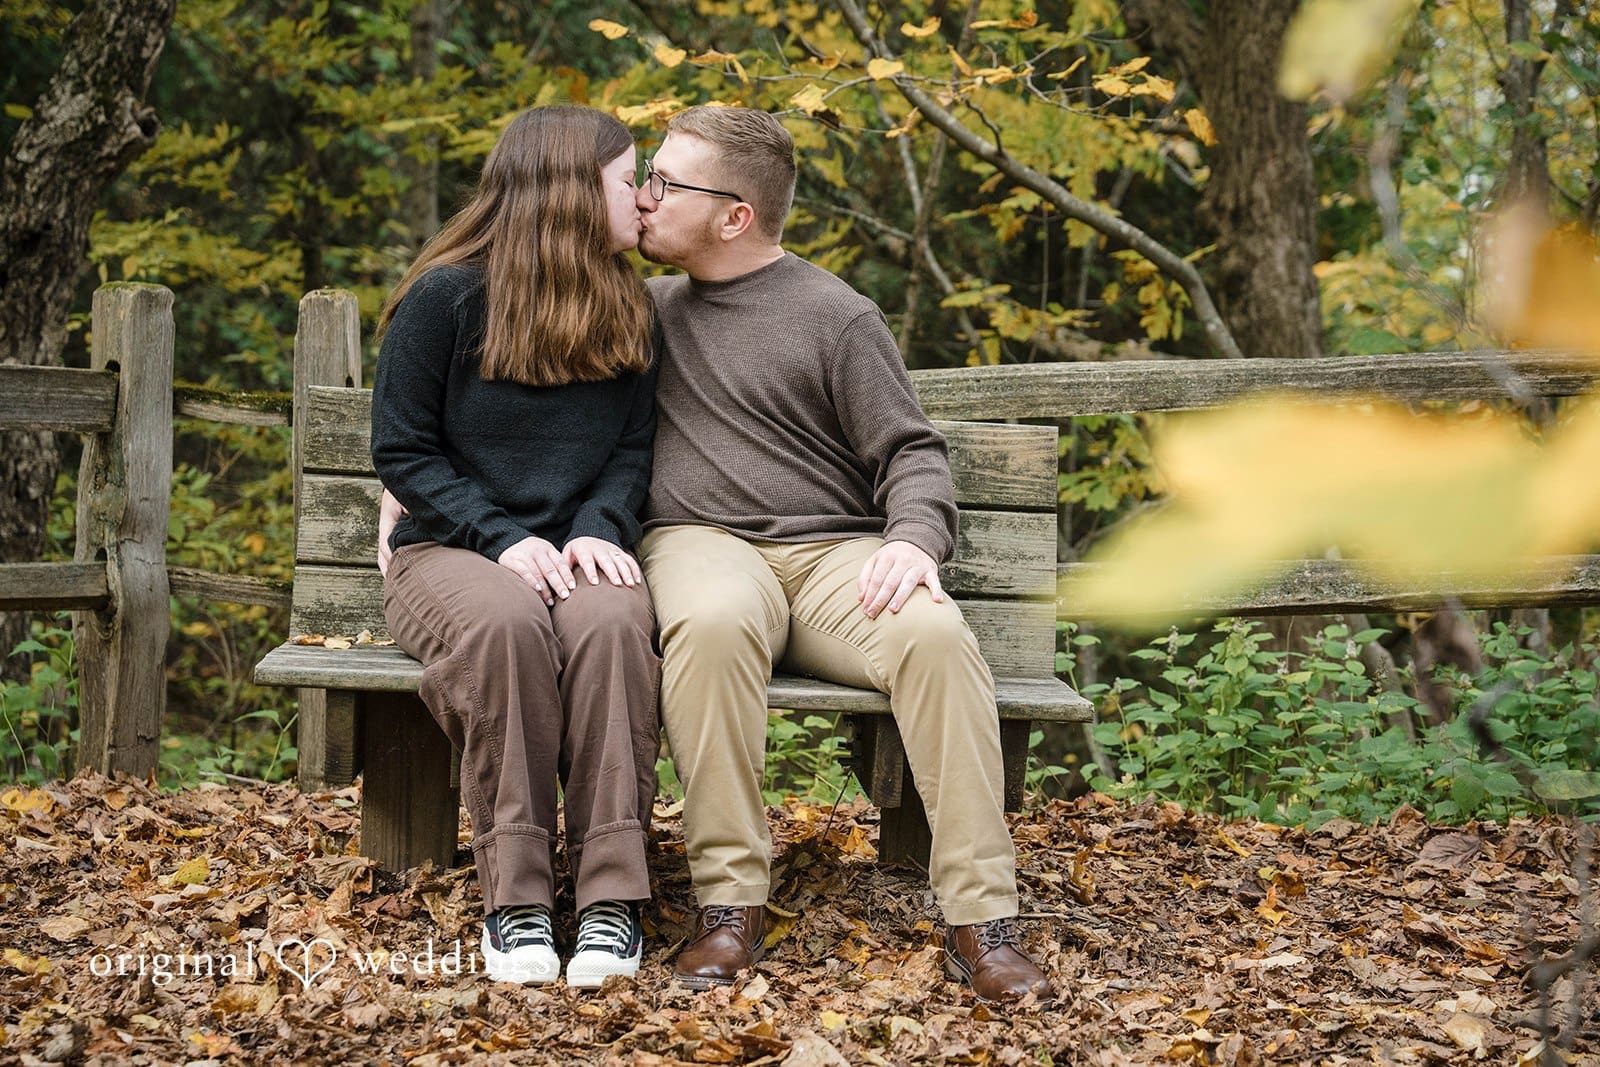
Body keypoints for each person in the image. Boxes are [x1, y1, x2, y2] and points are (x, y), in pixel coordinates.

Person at [631, 106, 1054, 1004]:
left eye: (665, 182)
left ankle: (984, 920)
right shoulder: (637, 310)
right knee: (705, 623)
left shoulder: (837, 316)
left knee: (936, 637)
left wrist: (913, 540)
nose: (644, 195)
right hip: (703, 545)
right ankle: (728, 905)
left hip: (834, 557)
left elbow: (911, 451)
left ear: (734, 214)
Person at [370, 104, 660, 989]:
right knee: (507, 625)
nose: (647, 199)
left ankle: (612, 898)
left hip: (573, 549)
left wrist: (595, 533)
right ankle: (519, 897)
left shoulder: (628, 303)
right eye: (630, 179)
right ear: (573, 190)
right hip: (449, 551)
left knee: (613, 622)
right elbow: (402, 451)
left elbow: (631, 452)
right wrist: (503, 540)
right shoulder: (445, 298)